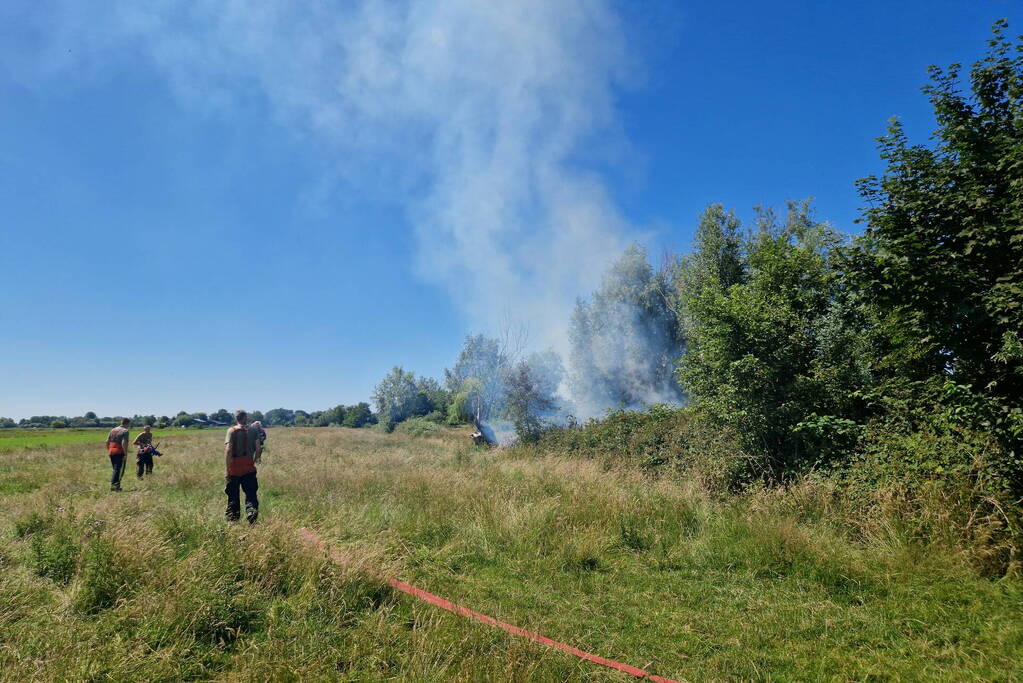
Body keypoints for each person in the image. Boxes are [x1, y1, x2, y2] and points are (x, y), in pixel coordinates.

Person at [224, 410, 262, 524]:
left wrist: (227, 468)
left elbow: (228, 450)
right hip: (248, 465)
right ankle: (251, 513)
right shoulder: (254, 430)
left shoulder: (231, 431)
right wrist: (255, 460)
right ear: (246, 418)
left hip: (234, 466)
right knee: (251, 493)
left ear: (236, 418)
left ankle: (233, 520)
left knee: (233, 495)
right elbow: (259, 448)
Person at [106, 418, 131, 491]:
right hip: (119, 452)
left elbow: (107, 441)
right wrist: (125, 454)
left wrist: (109, 450)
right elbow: (124, 443)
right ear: (127, 423)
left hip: (111, 451)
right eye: (129, 424)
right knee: (119, 470)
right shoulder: (125, 431)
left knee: (115, 469)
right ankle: (114, 487)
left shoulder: (113, 430)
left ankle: (115, 486)